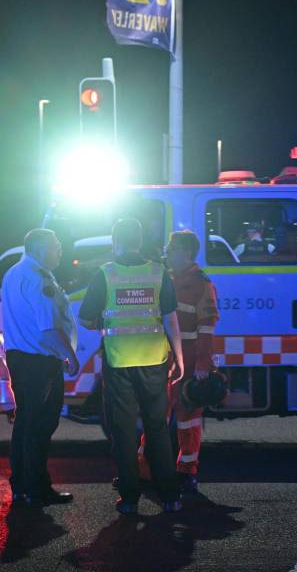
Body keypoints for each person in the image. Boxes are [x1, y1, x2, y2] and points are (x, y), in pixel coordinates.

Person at [78, 218, 185, 515]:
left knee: (123, 432)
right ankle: (170, 496)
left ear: (116, 241)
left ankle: (129, 499)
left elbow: (86, 319)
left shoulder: (105, 275)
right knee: (158, 429)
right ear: (140, 241)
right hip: (155, 360)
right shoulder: (158, 272)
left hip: (119, 361)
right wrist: (179, 357)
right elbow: (170, 319)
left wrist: (103, 323)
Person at [137, 230, 219, 493]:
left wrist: (203, 364)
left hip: (188, 362)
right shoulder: (167, 279)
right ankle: (144, 471)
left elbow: (206, 327)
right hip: (162, 360)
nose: (167, 253)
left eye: (172, 249)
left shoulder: (201, 285)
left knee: (187, 419)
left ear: (185, 253)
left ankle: (187, 470)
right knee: (154, 417)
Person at [1, 229, 78, 507]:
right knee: (40, 425)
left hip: (20, 359)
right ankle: (37, 488)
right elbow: (48, 328)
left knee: (25, 424)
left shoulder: (13, 273)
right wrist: (69, 355)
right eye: (55, 246)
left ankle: (22, 485)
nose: (60, 251)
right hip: (40, 363)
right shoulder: (39, 278)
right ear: (38, 249)